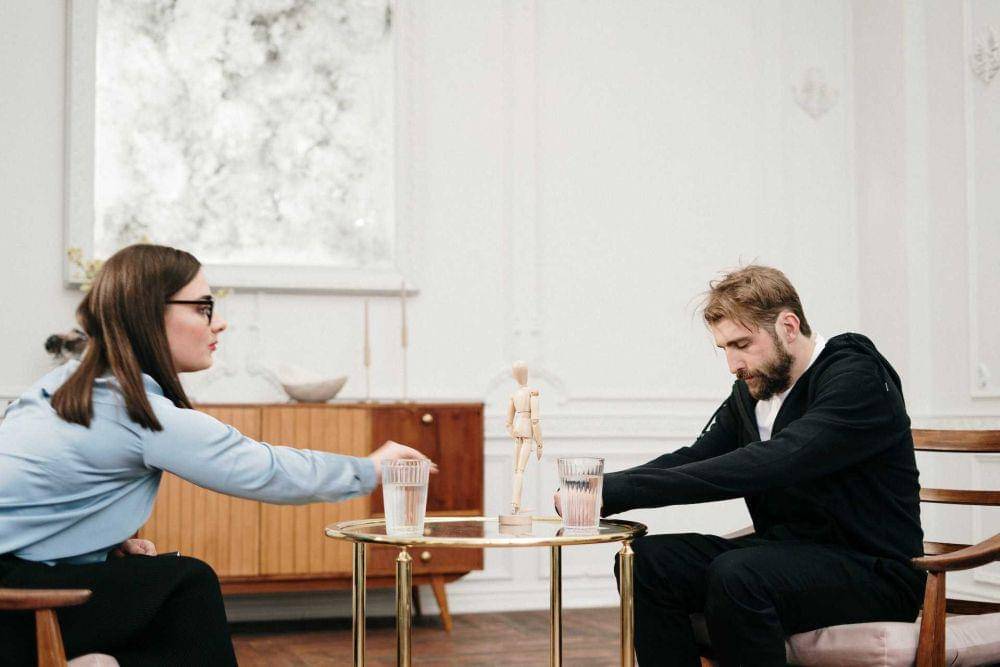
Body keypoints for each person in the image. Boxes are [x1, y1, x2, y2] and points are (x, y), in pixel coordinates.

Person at [0, 244, 432, 666]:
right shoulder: (138, 413)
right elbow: (266, 470)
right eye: (203, 308)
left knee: (156, 581)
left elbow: (36, 500)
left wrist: (103, 543)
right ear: (149, 314)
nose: (219, 323)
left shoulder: (62, 385)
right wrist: (371, 468)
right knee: (186, 585)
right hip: (13, 606)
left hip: (17, 582)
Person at [557, 265, 925, 666]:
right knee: (646, 563)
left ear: (788, 326)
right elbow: (698, 457)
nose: (734, 364)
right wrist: (596, 487)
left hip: (873, 572)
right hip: (786, 554)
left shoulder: (857, 378)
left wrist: (621, 491)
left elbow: (777, 460)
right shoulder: (753, 392)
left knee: (739, 574)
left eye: (742, 344)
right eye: (725, 349)